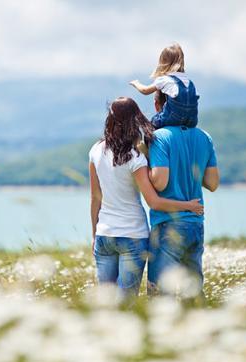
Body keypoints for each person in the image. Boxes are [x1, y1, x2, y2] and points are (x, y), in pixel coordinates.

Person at [89, 97, 204, 300]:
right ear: (135, 121)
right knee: (127, 302)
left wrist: (94, 235)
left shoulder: (96, 150)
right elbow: (154, 202)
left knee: (106, 303)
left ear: (110, 119)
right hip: (133, 235)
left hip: (104, 235)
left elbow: (95, 197)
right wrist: (188, 205)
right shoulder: (136, 157)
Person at [147, 90, 219, 295]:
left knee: (161, 294)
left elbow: (160, 182)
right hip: (196, 223)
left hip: (167, 224)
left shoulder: (159, 137)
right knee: (193, 293)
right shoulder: (204, 137)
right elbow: (212, 183)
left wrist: (146, 165)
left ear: (158, 105)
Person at [129, 42, 199, 129]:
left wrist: (136, 83)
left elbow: (145, 90)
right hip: (192, 120)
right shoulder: (189, 82)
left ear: (163, 62)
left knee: (151, 125)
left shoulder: (165, 79)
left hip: (173, 118)